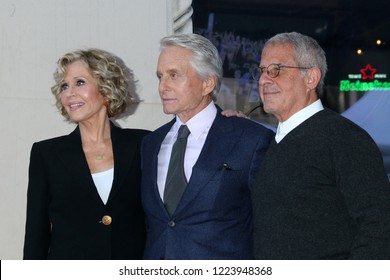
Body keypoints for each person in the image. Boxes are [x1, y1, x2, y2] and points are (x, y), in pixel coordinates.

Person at [251, 32, 390, 259]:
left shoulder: (346, 139)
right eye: (262, 71)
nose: (264, 79)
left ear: (311, 78)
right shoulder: (269, 142)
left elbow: (380, 226)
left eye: (276, 69)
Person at [140, 33, 274, 260]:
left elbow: (270, 225)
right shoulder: (150, 144)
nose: (163, 86)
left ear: (207, 83)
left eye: (174, 75)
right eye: (160, 76)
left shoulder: (251, 139)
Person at [23, 48, 149, 259]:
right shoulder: (46, 154)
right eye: (64, 86)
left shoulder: (143, 143)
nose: (69, 93)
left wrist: (224, 120)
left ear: (106, 87)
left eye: (79, 82)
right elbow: (36, 233)